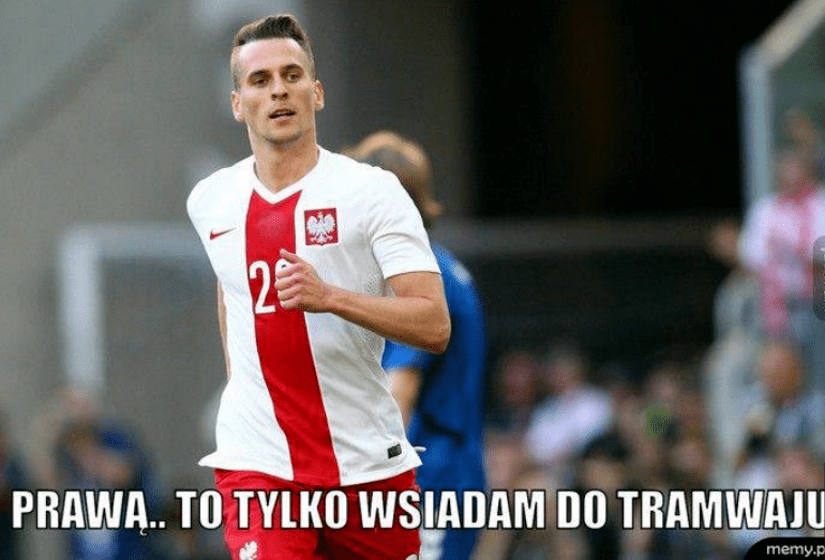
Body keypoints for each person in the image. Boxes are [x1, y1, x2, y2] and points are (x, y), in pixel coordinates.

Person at [186, 14, 451, 560]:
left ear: (317, 92)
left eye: (292, 75)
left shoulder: (373, 193)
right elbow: (229, 287)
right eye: (260, 80)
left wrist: (331, 298)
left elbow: (433, 322)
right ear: (238, 103)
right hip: (259, 464)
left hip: (366, 465)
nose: (278, 90)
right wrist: (244, 387)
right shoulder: (211, 200)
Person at [346, 130, 487, 560]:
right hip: (444, 469)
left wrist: (366, 484)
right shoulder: (435, 263)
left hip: (433, 480)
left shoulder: (418, 278)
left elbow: (400, 392)